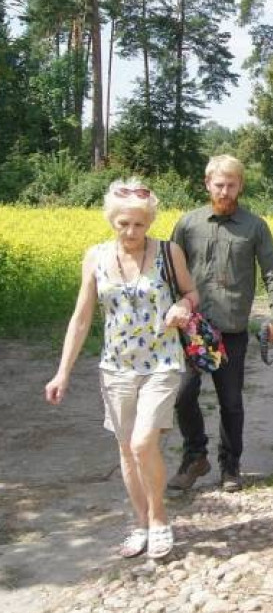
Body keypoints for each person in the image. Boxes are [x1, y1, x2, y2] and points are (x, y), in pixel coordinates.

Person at [44, 180, 199, 560]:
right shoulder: (95, 257)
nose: (131, 232)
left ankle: (161, 518)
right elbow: (81, 319)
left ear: (149, 223)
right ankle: (141, 522)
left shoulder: (168, 251)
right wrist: (62, 371)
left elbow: (191, 293)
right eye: (123, 224)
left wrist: (183, 307)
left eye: (139, 225)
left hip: (161, 363)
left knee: (143, 442)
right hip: (115, 368)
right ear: (112, 220)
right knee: (127, 451)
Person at [168, 155, 273, 493]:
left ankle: (230, 465)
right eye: (218, 184)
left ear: (240, 186)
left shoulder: (255, 226)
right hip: (193, 329)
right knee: (182, 397)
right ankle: (195, 457)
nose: (224, 191)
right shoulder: (188, 224)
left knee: (231, 403)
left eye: (231, 185)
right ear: (207, 184)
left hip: (232, 330)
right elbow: (170, 272)